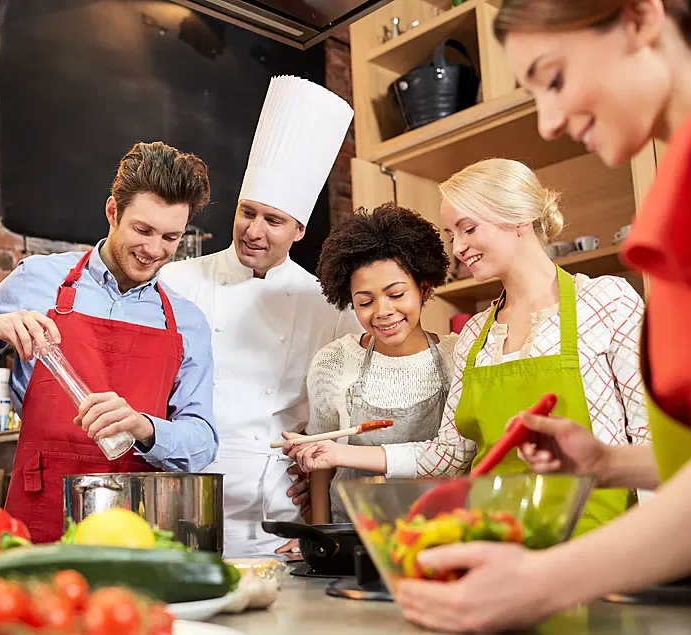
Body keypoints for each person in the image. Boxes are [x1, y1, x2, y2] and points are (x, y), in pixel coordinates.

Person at [392, 1, 691, 630]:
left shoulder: (609, 300)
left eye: (553, 77)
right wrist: (606, 464)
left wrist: (545, 581)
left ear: (640, 18)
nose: (549, 122)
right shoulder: (671, 210)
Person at [0, 141, 218, 543]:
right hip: (38, 517)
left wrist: (145, 427)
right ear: (112, 212)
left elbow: (203, 440)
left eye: (170, 237)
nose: (154, 250)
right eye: (142, 230)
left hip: (135, 529)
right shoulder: (37, 279)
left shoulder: (186, 322)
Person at [374, 159, 648, 538]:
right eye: (452, 235)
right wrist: (337, 455)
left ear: (518, 218)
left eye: (468, 229)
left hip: (595, 543)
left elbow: (649, 434)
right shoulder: (474, 335)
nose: (459, 248)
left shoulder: (606, 303)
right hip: (494, 539)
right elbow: (451, 453)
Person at [159, 75, 359, 557]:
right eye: (247, 212)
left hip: (276, 508)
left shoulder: (329, 302)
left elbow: (347, 414)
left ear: (299, 229)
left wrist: (316, 483)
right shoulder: (177, 282)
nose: (253, 231)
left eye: (273, 221)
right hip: (182, 495)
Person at [282, 203, 457, 524]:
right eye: (365, 301)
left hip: (438, 532)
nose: (382, 311)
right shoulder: (334, 362)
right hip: (353, 531)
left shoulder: (456, 356)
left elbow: (459, 454)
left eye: (396, 294)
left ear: (424, 288)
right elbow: (323, 464)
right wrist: (322, 536)